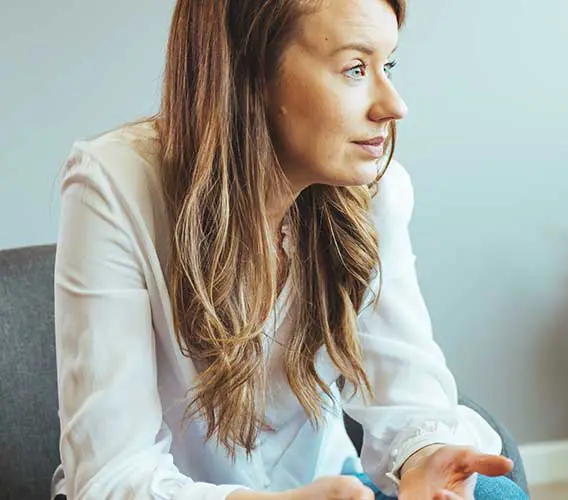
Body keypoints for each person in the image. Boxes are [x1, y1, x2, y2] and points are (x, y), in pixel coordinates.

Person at [50, 0, 526, 499]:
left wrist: (425, 457)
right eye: (355, 68)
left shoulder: (373, 190)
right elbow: (111, 478)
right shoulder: (113, 186)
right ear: (249, 70)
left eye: (388, 65)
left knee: (492, 495)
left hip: (329, 486)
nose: (393, 104)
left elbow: (407, 392)